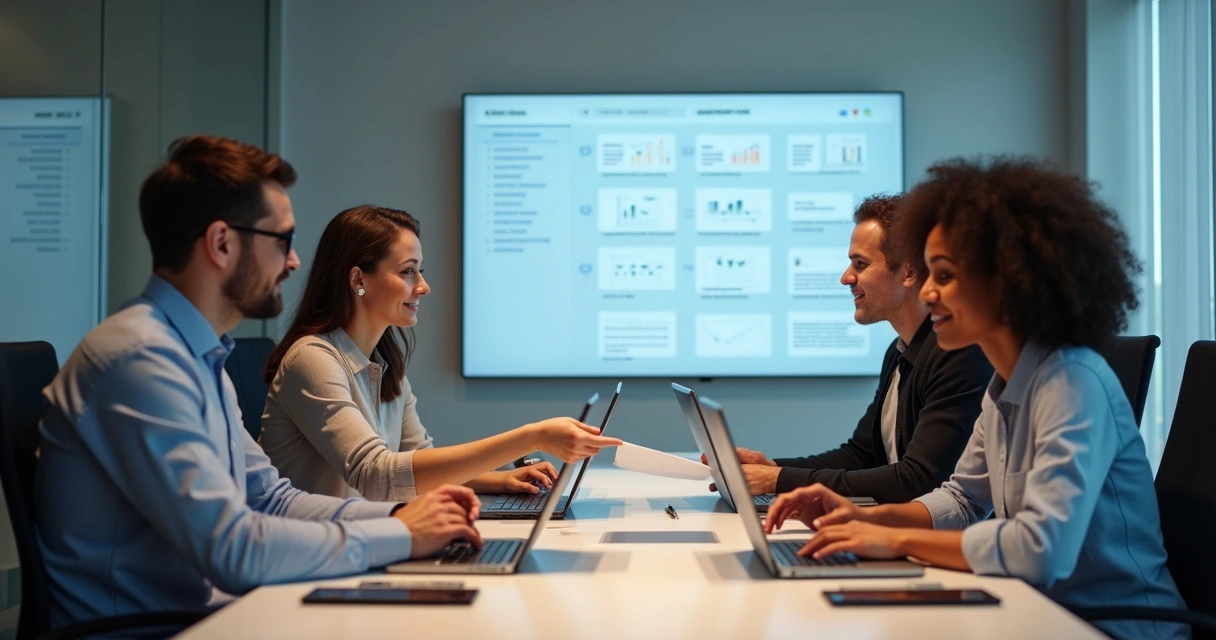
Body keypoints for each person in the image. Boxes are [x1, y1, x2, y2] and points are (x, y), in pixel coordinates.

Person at [35, 135, 483, 628]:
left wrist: (399, 518)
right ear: (221, 243)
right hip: (157, 629)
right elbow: (234, 548)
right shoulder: (140, 360)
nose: (293, 262)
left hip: (211, 614)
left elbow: (271, 500)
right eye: (281, 241)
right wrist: (401, 535)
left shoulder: (197, 355)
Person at [766, 157, 1187, 640]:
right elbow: (963, 499)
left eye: (944, 276)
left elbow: (1041, 549)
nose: (927, 292)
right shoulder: (1006, 382)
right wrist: (863, 517)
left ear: (1008, 281)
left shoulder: (1072, 383)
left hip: (1113, 629)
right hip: (1035, 613)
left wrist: (895, 538)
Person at [259, 205, 622, 502]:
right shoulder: (312, 359)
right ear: (358, 280)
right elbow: (376, 476)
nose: (423, 286)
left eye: (420, 271)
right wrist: (532, 437)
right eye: (408, 271)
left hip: (360, 541)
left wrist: (498, 479)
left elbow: (417, 461)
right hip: (310, 553)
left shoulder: (385, 368)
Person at [714, 194, 992, 503]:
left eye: (861, 264)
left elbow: (919, 479)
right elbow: (862, 455)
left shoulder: (959, 355)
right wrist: (772, 468)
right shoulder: (897, 352)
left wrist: (779, 480)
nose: (846, 277)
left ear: (909, 272)